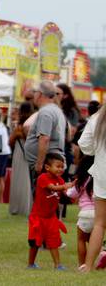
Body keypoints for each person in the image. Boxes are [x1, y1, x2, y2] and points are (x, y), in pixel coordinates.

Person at [27, 153, 71, 270]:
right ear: (47, 167)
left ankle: (58, 265)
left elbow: (65, 194)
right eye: (58, 166)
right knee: (35, 243)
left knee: (54, 241)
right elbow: (52, 188)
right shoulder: (43, 178)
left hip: (51, 218)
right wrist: (65, 186)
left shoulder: (61, 180)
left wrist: (72, 191)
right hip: (38, 217)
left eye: (62, 167)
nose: (61, 169)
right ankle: (31, 264)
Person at [77, 107, 106, 272]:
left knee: (99, 224)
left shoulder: (96, 119)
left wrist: (99, 151)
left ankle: (87, 266)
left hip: (102, 174)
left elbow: (84, 145)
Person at [25, 81, 67, 187]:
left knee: (42, 199)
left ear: (39, 94)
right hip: (51, 162)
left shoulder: (46, 112)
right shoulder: (57, 110)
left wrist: (39, 164)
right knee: (49, 199)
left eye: (34, 92)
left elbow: (44, 138)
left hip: (46, 165)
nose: (33, 95)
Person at [67, 155, 96, 267]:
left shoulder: (80, 181)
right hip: (99, 215)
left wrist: (68, 187)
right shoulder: (100, 180)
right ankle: (95, 260)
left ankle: (82, 264)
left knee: (81, 240)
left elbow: (70, 194)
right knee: (95, 240)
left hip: (84, 214)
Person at [9, 103, 34, 216]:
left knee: (18, 178)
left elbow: (10, 141)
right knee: (27, 179)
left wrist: (17, 134)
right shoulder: (33, 124)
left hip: (19, 151)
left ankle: (17, 206)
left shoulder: (18, 126)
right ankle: (27, 206)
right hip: (30, 152)